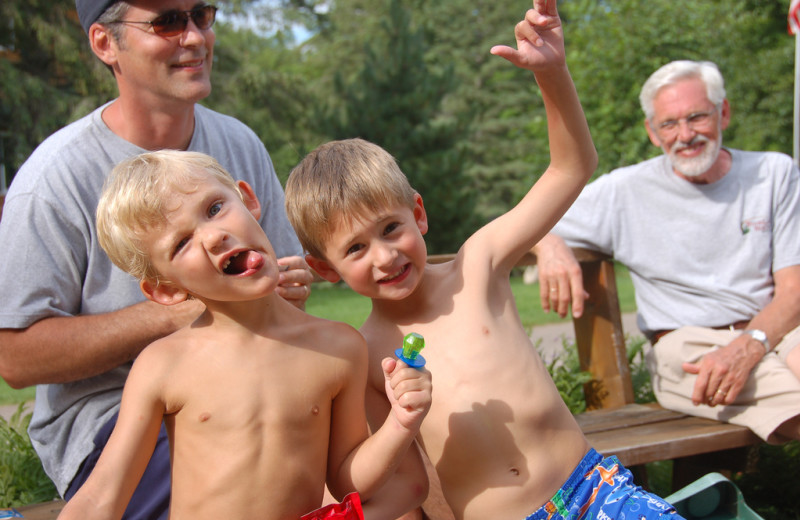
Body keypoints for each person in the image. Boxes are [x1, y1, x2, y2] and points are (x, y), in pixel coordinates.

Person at [285, 2, 683, 519]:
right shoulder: (366, 357)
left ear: (418, 214)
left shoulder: (479, 266)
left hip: (595, 491)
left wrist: (552, 73)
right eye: (355, 249)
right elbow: (396, 485)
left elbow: (571, 168)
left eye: (390, 229)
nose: (384, 256)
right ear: (324, 269)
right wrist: (401, 424)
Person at [0, 1, 313, 517]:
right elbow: (14, 356)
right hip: (114, 419)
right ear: (105, 44)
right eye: (167, 22)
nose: (193, 37)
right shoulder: (54, 181)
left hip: (255, 385)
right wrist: (177, 314)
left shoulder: (239, 143)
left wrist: (286, 291)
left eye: (201, 14)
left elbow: (282, 291)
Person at [54, 150, 432, 520]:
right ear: (166, 289)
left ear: (248, 199)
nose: (214, 236)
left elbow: (346, 479)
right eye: (182, 243)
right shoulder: (163, 365)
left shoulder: (339, 348)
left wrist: (401, 422)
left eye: (215, 208)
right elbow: (102, 497)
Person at [532, 59, 800, 443]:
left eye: (697, 117)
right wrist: (549, 245)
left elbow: (793, 290)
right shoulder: (625, 190)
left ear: (723, 112)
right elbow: (525, 220)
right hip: (687, 345)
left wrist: (751, 345)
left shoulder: (775, 174)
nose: (685, 134)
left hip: (771, 330)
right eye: (669, 124)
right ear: (652, 132)